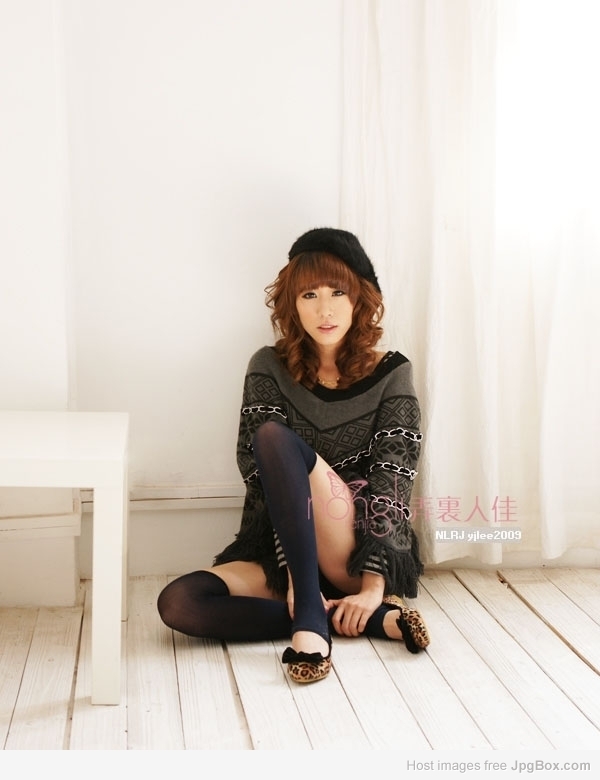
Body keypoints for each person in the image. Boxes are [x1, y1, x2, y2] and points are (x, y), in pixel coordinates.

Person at [157, 227, 429, 684]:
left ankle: (316, 614)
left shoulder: (391, 372)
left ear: (360, 299)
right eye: (309, 295)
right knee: (180, 602)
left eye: (338, 292)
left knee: (274, 437)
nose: (325, 310)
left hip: (355, 550)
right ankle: (343, 617)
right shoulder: (268, 366)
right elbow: (259, 475)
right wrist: (290, 575)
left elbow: (394, 478)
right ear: (292, 304)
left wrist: (371, 587)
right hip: (288, 552)